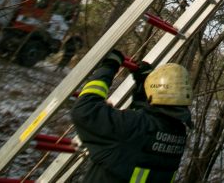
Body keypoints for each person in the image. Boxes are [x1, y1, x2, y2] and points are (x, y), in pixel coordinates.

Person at [71, 49, 194, 182]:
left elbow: (85, 111)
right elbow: (143, 134)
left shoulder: (137, 126)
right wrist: (143, 87)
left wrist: (109, 67)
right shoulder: (178, 133)